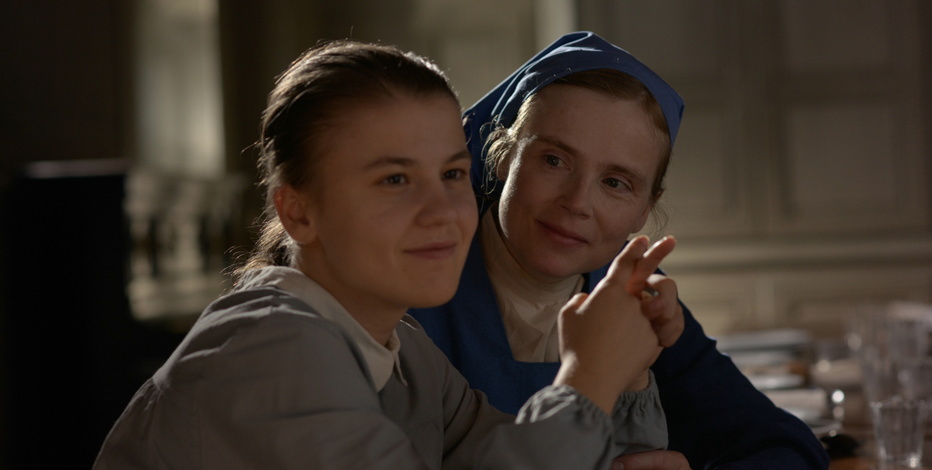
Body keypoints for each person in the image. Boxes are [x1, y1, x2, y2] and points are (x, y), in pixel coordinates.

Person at [93, 39, 679, 469]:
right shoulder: (270, 348)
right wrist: (589, 378)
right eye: (395, 180)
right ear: (298, 211)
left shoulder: (406, 352)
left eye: (451, 174)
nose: (442, 212)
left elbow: (517, 453)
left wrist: (627, 366)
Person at [409, 31, 830, 469]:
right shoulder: (413, 290)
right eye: (554, 160)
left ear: (644, 209)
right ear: (502, 156)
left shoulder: (632, 295)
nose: (577, 202)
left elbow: (785, 447)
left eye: (615, 183)